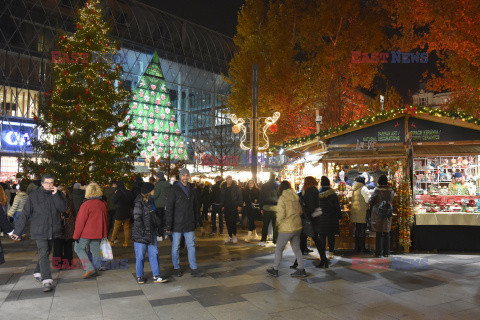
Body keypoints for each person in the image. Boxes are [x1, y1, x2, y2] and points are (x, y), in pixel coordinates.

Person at [10, 174, 67, 292]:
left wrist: (56, 195)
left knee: (46, 252)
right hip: (39, 229)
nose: (49, 185)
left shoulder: (58, 194)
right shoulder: (33, 196)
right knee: (44, 251)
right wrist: (17, 231)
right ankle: (46, 280)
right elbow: (24, 214)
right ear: (42, 183)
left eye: (51, 183)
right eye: (47, 183)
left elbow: (63, 209)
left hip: (53, 229)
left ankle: (37, 272)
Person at [165, 168, 204, 277]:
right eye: (183, 175)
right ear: (180, 177)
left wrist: (197, 220)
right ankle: (176, 267)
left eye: (187, 175)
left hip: (189, 222)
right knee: (176, 247)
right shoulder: (174, 189)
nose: (185, 177)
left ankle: (194, 268)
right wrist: (168, 224)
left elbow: (195, 206)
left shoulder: (192, 189)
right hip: (177, 223)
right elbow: (169, 207)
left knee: (191, 245)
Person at [266, 181, 307, 278]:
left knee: (279, 249)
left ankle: (275, 269)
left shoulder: (282, 198)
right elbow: (300, 211)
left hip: (286, 228)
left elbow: (281, 215)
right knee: (297, 249)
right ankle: (301, 269)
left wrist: (278, 224)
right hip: (297, 226)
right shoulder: (296, 196)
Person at [132, 182, 168, 284]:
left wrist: (158, 228)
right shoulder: (139, 202)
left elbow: (153, 216)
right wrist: (144, 231)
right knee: (140, 256)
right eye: (153, 189)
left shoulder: (150, 200)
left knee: (154, 253)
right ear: (148, 191)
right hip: (141, 234)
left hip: (151, 232)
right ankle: (139, 276)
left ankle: (156, 275)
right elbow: (137, 219)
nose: (154, 191)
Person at [73, 183, 108, 279]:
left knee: (78, 249)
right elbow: (106, 219)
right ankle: (95, 269)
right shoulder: (103, 204)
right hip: (98, 232)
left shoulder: (86, 204)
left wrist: (76, 236)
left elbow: (80, 221)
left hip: (86, 233)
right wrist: (105, 232)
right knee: (95, 250)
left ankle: (89, 268)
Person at [312, 176, 342, 268]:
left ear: (321, 184)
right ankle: (331, 253)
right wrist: (339, 216)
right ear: (329, 183)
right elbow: (337, 206)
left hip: (321, 218)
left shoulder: (317, 193)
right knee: (331, 236)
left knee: (322, 237)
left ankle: (323, 254)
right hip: (331, 218)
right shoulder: (333, 194)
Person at [367, 175, 394, 257]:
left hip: (378, 213)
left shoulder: (377, 190)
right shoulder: (391, 190)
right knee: (386, 232)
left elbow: (370, 201)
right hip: (388, 212)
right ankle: (386, 252)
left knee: (379, 233)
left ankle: (378, 253)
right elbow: (391, 200)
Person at [53, 186, 76, 270]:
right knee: (57, 247)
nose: (63, 193)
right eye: (61, 192)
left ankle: (68, 263)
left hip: (69, 226)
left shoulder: (70, 201)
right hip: (58, 226)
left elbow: (73, 213)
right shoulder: (54, 201)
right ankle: (57, 264)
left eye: (65, 192)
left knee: (68, 246)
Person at [350, 176, 371, 253]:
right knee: (362, 230)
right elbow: (368, 200)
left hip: (356, 212)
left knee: (357, 230)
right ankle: (362, 248)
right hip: (362, 212)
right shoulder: (364, 188)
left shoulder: (355, 188)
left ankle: (357, 248)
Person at [110, 181, 134, 247]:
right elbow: (132, 203)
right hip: (127, 213)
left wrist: (115, 194)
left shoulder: (118, 192)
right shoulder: (129, 192)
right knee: (126, 228)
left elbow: (113, 201)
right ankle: (126, 242)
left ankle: (112, 241)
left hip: (119, 213)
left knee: (116, 228)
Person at [258, 173, 279, 246]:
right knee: (275, 226)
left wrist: (261, 207)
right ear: (275, 177)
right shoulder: (278, 185)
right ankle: (275, 241)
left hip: (266, 207)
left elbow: (260, 197)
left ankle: (263, 240)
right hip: (276, 208)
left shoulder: (264, 185)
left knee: (265, 225)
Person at [220, 175, 243, 243]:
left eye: (231, 179)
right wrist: (222, 205)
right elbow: (222, 197)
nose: (230, 180)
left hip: (234, 206)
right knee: (227, 222)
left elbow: (240, 196)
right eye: (228, 179)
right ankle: (230, 236)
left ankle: (234, 236)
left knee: (233, 222)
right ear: (226, 180)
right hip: (226, 207)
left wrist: (240, 205)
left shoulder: (235, 187)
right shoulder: (223, 187)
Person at [152, 172, 171, 239]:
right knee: (165, 220)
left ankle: (160, 235)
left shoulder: (158, 184)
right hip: (166, 205)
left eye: (157, 177)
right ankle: (166, 234)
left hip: (159, 205)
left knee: (159, 220)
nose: (156, 178)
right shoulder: (168, 184)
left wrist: (151, 196)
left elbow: (156, 195)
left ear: (159, 177)